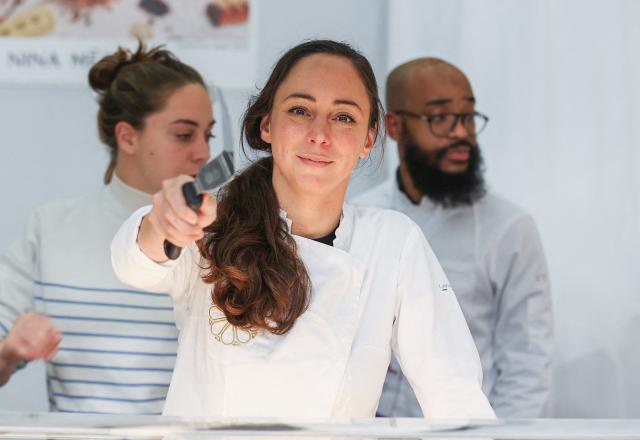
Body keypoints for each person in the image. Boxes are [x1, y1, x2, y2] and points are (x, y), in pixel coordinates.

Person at [111, 40, 495, 420]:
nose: (319, 134)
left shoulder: (392, 242)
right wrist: (163, 223)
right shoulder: (208, 221)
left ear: (368, 138)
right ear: (267, 125)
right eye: (299, 110)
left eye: (343, 117)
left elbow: (453, 391)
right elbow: (135, 264)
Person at [0, 43, 215, 414]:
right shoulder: (49, 229)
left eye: (207, 136)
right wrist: (9, 351)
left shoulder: (221, 238)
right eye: (184, 135)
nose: (203, 153)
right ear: (127, 137)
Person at [354, 57, 553, 418]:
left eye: (467, 117)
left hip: (466, 429)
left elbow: (527, 361)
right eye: (440, 118)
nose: (461, 133)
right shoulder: (362, 216)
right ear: (395, 126)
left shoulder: (508, 228)